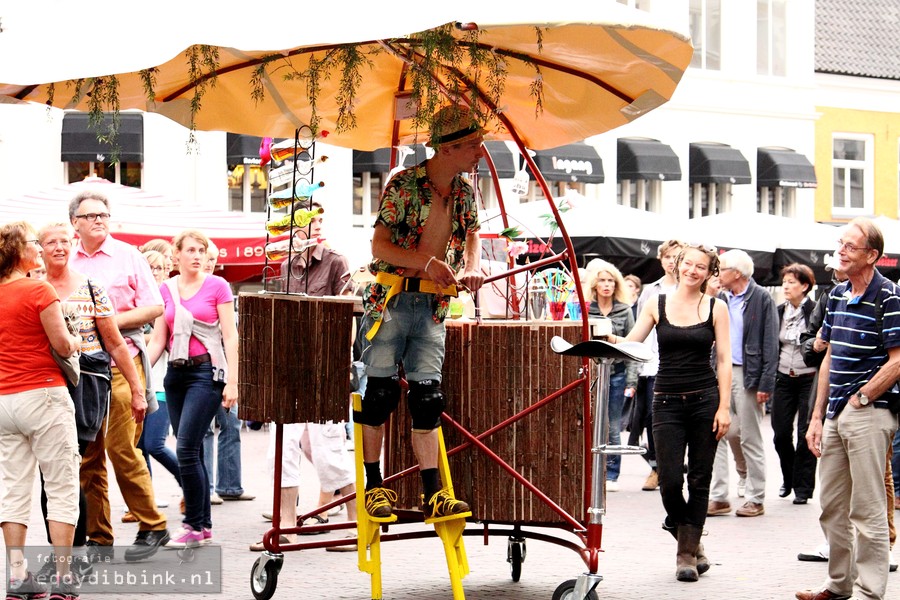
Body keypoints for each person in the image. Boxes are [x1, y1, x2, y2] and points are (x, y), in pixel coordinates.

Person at [357, 104, 485, 521]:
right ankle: (374, 488)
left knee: (428, 399)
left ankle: (434, 495)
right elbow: (379, 247)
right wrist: (427, 262)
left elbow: (472, 235)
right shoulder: (404, 184)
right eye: (472, 145)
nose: (480, 152)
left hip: (432, 305)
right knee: (378, 396)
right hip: (391, 299)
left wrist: (471, 266)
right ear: (447, 148)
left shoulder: (464, 191)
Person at [611, 242, 731, 582]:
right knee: (669, 480)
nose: (693, 270)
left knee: (699, 478)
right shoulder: (656, 303)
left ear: (710, 273)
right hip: (665, 401)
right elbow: (633, 344)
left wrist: (724, 407)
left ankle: (686, 555)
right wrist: (604, 336)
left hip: (705, 399)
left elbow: (723, 360)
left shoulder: (715, 308)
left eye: (701, 267)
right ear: (677, 265)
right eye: (688, 264)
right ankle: (689, 539)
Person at [797, 218, 900, 600]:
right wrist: (817, 417)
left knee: (868, 507)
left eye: (850, 246)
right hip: (837, 411)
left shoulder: (889, 297)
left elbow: (897, 360)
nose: (841, 250)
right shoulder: (839, 295)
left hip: (869, 411)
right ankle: (838, 585)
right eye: (840, 243)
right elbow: (828, 358)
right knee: (831, 506)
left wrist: (863, 398)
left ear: (872, 256)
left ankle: (870, 592)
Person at [36, 222, 147, 575]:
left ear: (73, 244)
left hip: (87, 382)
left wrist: (138, 390)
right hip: (46, 382)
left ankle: (75, 554)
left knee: (73, 466)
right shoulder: (33, 287)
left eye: (64, 241)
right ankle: (64, 554)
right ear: (39, 248)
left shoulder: (91, 286)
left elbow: (114, 342)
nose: (59, 247)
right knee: (49, 472)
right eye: (50, 242)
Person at [68, 191, 170, 562]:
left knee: (120, 446)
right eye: (90, 215)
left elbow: (155, 306)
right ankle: (100, 537)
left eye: (103, 214)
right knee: (89, 455)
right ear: (74, 223)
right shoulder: (68, 259)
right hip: (82, 369)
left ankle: (153, 524)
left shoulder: (129, 255)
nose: (99, 220)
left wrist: (106, 322)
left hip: (123, 363)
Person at [250, 205, 358, 551]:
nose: (309, 229)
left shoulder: (336, 261)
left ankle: (356, 528)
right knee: (281, 447)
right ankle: (283, 525)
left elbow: (349, 318)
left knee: (329, 450)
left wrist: (336, 357)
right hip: (290, 368)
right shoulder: (285, 266)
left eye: (314, 222)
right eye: (301, 223)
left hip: (325, 368)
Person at [0, 221, 82, 600]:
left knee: (13, 488)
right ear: (19, 251)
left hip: (5, 400)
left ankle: (17, 576)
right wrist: (77, 338)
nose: (38, 248)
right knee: (62, 483)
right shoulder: (38, 288)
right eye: (34, 242)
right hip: (44, 394)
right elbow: (62, 345)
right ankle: (64, 577)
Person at [147, 230, 239, 548]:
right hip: (175, 374)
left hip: (206, 373)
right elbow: (159, 339)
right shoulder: (166, 289)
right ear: (177, 254)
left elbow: (230, 337)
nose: (197, 255)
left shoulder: (218, 286)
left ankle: (193, 525)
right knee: (194, 449)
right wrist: (138, 374)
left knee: (185, 447)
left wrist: (233, 381)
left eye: (202, 250)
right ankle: (205, 525)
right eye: (191, 250)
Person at [707, 249, 778, 518]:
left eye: (721, 268)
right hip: (720, 370)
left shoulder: (761, 298)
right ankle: (719, 496)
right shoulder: (719, 298)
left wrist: (766, 383)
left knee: (750, 437)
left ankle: (756, 497)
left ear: (736, 273)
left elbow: (770, 342)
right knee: (718, 432)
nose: (717, 273)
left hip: (748, 373)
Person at [125, 250, 182, 520]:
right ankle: (142, 503)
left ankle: (191, 483)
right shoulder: (134, 302)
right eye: (151, 267)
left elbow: (161, 339)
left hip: (160, 382)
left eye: (161, 267)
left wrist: (137, 337)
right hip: (136, 382)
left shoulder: (167, 301)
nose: (156, 271)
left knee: (153, 444)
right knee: (136, 446)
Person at [201, 239, 254, 504]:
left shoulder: (222, 288)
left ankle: (230, 485)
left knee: (231, 424)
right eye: (204, 257)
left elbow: (232, 335)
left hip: (225, 367)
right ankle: (206, 487)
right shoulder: (191, 289)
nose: (208, 262)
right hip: (202, 368)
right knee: (205, 430)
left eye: (212, 258)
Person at [629, 239, 683, 493]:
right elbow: (642, 327)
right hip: (653, 363)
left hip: (681, 363)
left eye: (677, 256)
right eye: (668, 257)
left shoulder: (691, 288)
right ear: (661, 260)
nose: (672, 261)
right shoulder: (651, 290)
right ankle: (656, 466)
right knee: (652, 418)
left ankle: (674, 465)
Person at [586, 260, 638, 491]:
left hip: (616, 373)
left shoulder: (624, 310)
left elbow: (633, 345)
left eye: (610, 281)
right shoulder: (587, 308)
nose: (606, 285)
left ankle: (612, 474)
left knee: (612, 424)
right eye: (602, 280)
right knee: (589, 422)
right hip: (591, 372)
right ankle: (592, 471)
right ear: (594, 284)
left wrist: (632, 381)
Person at [772, 263, 817, 505]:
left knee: (805, 435)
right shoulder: (778, 311)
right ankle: (788, 477)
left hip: (808, 378)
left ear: (805, 286)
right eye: (785, 282)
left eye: (792, 282)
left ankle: (802, 488)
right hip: (782, 377)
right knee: (780, 434)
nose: (786, 286)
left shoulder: (815, 311)